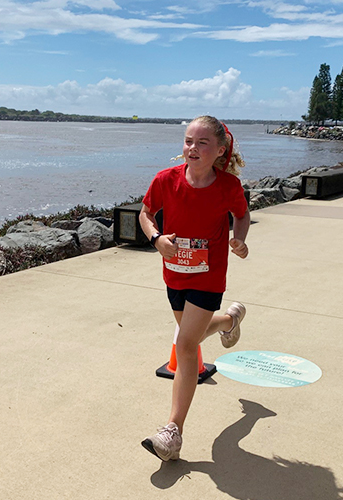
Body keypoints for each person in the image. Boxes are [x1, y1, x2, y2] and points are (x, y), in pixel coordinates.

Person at [139, 116, 250, 461]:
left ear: (219, 150)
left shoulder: (228, 186)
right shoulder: (164, 180)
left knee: (186, 344)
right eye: (188, 141)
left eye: (202, 143)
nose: (192, 148)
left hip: (209, 276)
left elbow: (242, 215)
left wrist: (239, 239)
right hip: (175, 275)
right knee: (194, 335)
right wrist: (156, 239)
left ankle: (172, 432)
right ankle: (229, 321)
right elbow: (145, 213)